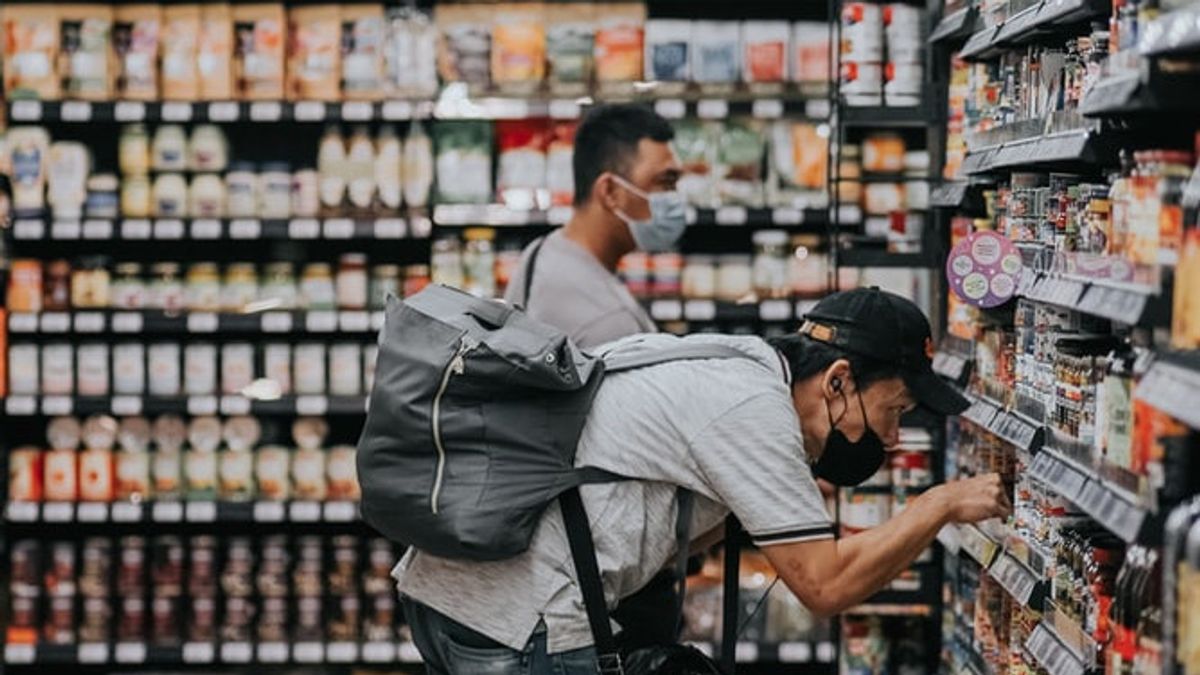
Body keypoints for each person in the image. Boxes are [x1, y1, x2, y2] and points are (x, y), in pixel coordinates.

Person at [395, 287, 1011, 674]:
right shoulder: (752, 410)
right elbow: (826, 587)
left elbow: (652, 507)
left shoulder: (729, 362)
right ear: (838, 381)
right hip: (521, 622)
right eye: (896, 410)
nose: (895, 436)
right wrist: (939, 505)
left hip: (455, 598)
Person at [504, 103, 686, 349]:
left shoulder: (543, 251)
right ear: (610, 192)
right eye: (665, 182)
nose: (675, 198)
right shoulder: (610, 325)